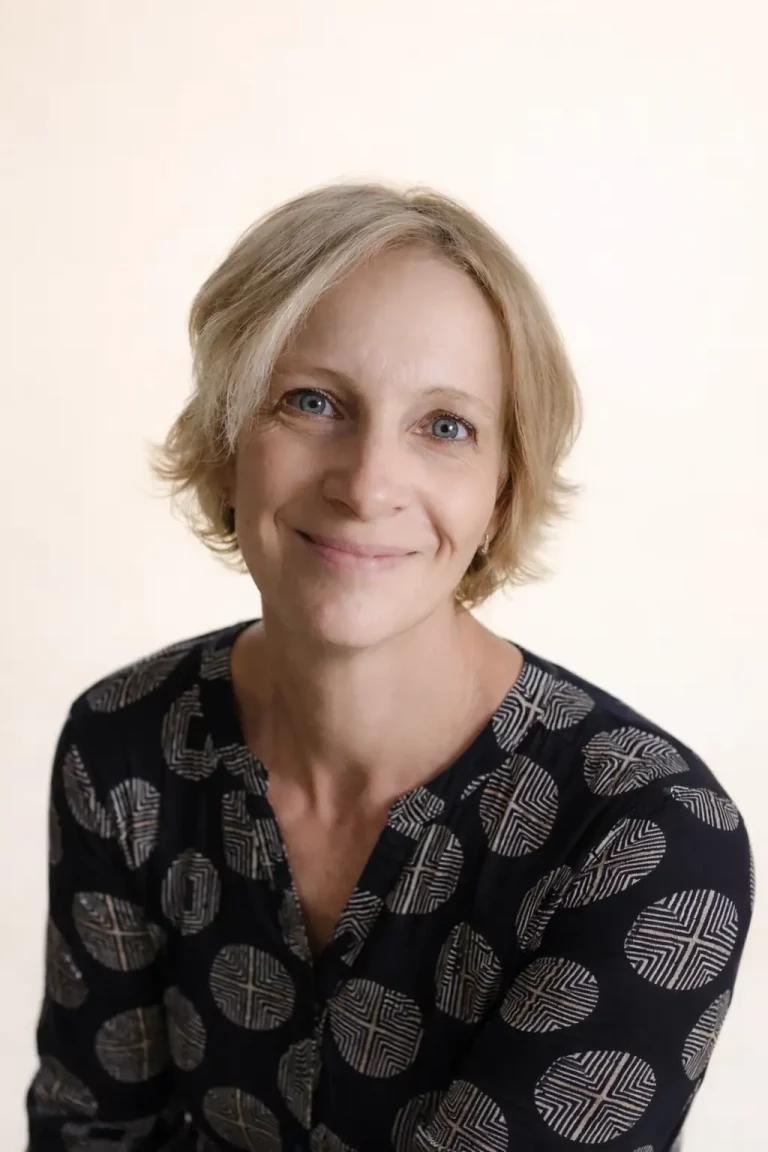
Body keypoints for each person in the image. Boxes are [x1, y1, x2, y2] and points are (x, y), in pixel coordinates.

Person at [27, 180, 752, 1152]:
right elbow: (91, 1132)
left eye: (445, 425)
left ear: (502, 492)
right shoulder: (126, 748)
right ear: (228, 440)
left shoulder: (650, 840)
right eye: (313, 402)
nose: (368, 484)